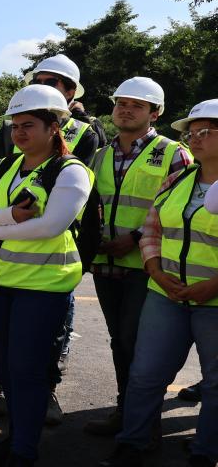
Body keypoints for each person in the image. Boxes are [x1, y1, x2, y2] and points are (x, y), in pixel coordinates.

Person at [0, 85, 93, 466]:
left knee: (27, 370)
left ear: (54, 127)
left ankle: (24, 449)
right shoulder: (2, 166)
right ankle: (16, 439)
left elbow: (50, 226)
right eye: (15, 125)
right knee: (7, 367)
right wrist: (6, 218)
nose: (19, 133)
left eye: (29, 125)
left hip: (41, 288)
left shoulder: (71, 171)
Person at [0, 54, 104, 423]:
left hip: (50, 260)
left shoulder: (84, 132)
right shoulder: (13, 130)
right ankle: (0, 388)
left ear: (70, 92)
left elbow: (58, 213)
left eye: (52, 81)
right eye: (38, 78)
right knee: (6, 348)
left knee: (45, 346)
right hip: (3, 262)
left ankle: (44, 396)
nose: (20, 132)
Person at [100, 98, 218, 467]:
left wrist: (214, 285)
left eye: (205, 132)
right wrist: (154, 269)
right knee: (145, 374)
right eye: (191, 132)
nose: (194, 139)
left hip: (214, 301)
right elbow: (153, 228)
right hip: (164, 293)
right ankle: (133, 443)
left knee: (215, 384)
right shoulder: (179, 178)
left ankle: (206, 452)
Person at [84, 78, 193, 437]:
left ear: (155, 113)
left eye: (136, 105)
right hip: (105, 265)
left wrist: (134, 238)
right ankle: (125, 409)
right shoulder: (100, 155)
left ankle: (140, 417)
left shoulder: (173, 152)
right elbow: (92, 206)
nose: (125, 109)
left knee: (138, 343)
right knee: (120, 340)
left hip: (147, 267)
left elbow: (177, 208)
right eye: (121, 103)